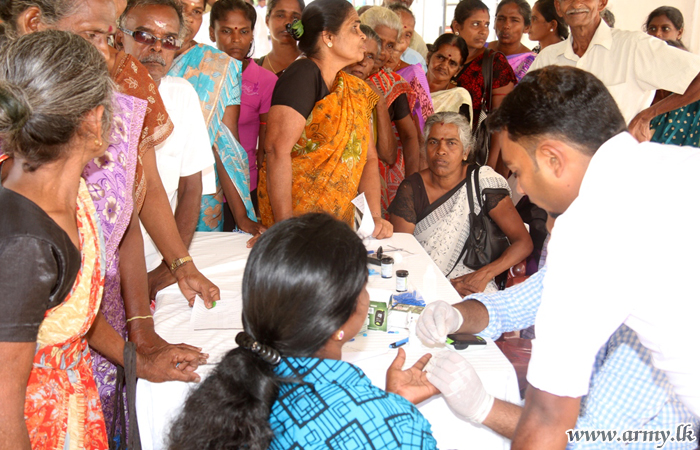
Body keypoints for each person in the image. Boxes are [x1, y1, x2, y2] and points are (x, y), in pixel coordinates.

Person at [5, 0, 221, 428]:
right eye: (95, 37)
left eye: (108, 38)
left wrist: (135, 353)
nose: (109, 53)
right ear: (97, 120)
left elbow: (76, 310)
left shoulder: (81, 200)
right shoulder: (25, 242)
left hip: (75, 402)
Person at [486, 64, 700, 447]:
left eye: (517, 171)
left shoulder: (589, 224)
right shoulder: (680, 162)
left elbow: (548, 420)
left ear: (553, 159)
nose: (519, 186)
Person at [167, 213, 438, 449]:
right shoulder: (401, 429)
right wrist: (390, 411)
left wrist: (388, 405)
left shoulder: (229, 400)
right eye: (363, 286)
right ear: (338, 326)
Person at [417, 266, 700, 448]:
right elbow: (512, 305)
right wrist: (456, 315)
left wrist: (484, 407)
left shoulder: (662, 314)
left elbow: (590, 439)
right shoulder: (590, 259)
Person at [258, 0, 392, 239]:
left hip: (339, 226)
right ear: (328, 37)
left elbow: (369, 159)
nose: (362, 36)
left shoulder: (356, 90)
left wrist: (374, 218)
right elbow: (276, 150)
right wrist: (286, 228)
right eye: (354, 27)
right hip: (297, 225)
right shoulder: (303, 74)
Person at [117, 0, 222, 272]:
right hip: (108, 260)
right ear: (119, 38)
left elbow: (191, 187)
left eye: (169, 40)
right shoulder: (99, 97)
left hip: (161, 256)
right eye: (143, 36)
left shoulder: (182, 93)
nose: (156, 48)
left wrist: (169, 267)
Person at [388, 112, 532, 295]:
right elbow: (401, 253)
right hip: (422, 284)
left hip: (475, 285)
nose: (441, 150)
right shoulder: (411, 188)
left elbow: (523, 242)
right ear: (424, 149)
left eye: (451, 143)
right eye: (433, 142)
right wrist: (439, 287)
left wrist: (483, 275)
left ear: (466, 151)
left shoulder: (483, 182)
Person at [528, 0, 700, 143]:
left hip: (617, 171)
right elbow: (525, 111)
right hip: (559, 173)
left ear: (602, 3)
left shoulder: (634, 46)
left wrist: (647, 115)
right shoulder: (547, 58)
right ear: (558, 7)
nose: (576, 3)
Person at [162, 0, 262, 239]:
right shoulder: (129, 60)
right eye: (180, 7)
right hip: (141, 194)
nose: (187, 18)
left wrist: (242, 217)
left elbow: (227, 147)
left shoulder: (221, 66)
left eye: (196, 11)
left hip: (201, 202)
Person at [210, 0, 278, 214]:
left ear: (252, 34)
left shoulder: (265, 80)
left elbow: (268, 144)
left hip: (245, 184)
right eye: (226, 31)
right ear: (212, 33)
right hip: (202, 185)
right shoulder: (198, 73)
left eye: (244, 31)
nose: (236, 39)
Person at [361, 6, 422, 216]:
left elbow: (410, 138)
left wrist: (412, 190)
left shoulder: (392, 84)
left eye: (390, 45)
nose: (384, 52)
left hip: (382, 182)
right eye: (378, 41)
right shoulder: (340, 76)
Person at [452, 0, 516, 171]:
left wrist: (490, 165)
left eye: (486, 24)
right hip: (447, 151)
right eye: (475, 24)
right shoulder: (447, 59)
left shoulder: (495, 62)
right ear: (457, 25)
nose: (483, 31)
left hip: (479, 155)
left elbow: (501, 121)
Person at [342, 24, 398, 168]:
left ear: (374, 65)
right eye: (359, 51)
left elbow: (389, 156)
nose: (362, 61)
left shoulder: (370, 95)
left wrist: (380, 104)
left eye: (370, 56)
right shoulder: (326, 86)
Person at [644, 9, 698, 148]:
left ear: (679, 33)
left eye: (665, 29)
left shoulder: (691, 97)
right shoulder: (643, 86)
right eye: (652, 28)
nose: (657, 34)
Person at [426, 33, 473, 125]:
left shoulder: (459, 97)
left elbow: (461, 136)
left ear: (458, 71)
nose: (444, 66)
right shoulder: (410, 86)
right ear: (428, 57)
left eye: (452, 63)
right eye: (440, 57)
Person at [487, 0, 536, 82]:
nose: (506, 26)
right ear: (494, 23)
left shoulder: (532, 62)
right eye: (501, 19)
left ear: (527, 27)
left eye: (514, 20)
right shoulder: (480, 50)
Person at [255, 0, 304, 76]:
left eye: (295, 17)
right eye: (280, 15)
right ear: (267, 21)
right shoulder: (254, 68)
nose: (288, 22)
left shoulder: (313, 64)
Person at [387, 3, 425, 72]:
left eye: (407, 35)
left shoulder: (413, 74)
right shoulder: (365, 65)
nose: (401, 40)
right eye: (398, 31)